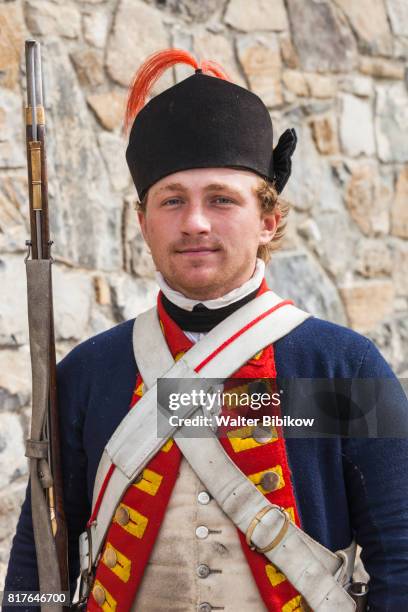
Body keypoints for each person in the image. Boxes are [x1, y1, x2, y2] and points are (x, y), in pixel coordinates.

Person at [4, 48, 408, 612]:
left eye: (221, 199)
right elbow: (34, 566)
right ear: (143, 223)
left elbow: (402, 557)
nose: (195, 222)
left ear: (267, 220)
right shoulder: (88, 373)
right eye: (172, 202)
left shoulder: (346, 367)